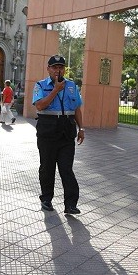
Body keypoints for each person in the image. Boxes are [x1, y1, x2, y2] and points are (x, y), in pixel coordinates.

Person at [32, 55, 85, 215]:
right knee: (47, 167)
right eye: (54, 67)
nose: (58, 70)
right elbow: (40, 105)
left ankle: (70, 204)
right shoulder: (40, 85)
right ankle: (46, 199)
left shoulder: (71, 86)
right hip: (47, 131)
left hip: (66, 132)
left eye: (61, 67)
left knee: (66, 169)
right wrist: (55, 90)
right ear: (48, 69)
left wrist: (81, 128)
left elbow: (76, 108)